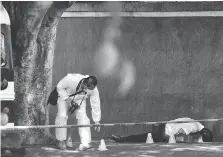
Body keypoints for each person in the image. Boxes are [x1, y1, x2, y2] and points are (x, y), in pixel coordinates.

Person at [54, 73, 101, 150]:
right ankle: (60, 140)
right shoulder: (71, 79)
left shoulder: (93, 89)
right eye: (88, 88)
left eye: (92, 89)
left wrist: (97, 121)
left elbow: (95, 102)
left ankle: (86, 143)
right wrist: (67, 100)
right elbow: (59, 86)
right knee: (62, 116)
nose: (90, 90)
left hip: (80, 98)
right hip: (64, 96)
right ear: (85, 83)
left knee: (83, 117)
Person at [111, 117, 213, 143]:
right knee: (142, 137)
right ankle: (122, 139)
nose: (199, 139)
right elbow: (181, 132)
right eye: (201, 139)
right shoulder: (194, 127)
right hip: (164, 132)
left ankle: (122, 139)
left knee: (143, 137)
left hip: (164, 127)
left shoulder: (195, 123)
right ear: (202, 134)